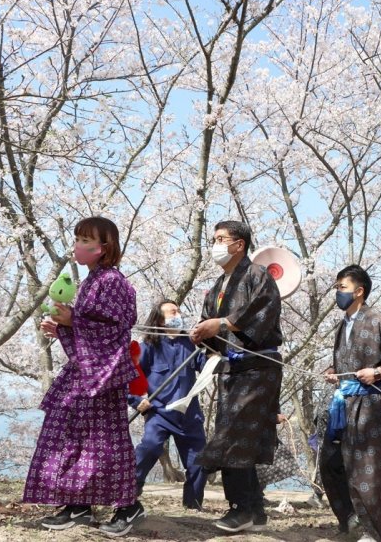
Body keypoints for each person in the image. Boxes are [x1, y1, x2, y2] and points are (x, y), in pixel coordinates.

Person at [27, 216, 144, 537]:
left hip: (103, 377)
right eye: (77, 238)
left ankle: (128, 506)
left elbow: (112, 330)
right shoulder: (92, 281)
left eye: (84, 239)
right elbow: (88, 328)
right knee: (70, 434)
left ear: (104, 248)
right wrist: (64, 325)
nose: (77, 245)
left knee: (105, 441)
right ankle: (78, 503)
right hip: (84, 374)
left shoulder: (114, 282)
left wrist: (72, 319)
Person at [189, 220, 283, 534]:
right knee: (238, 436)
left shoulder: (258, 275)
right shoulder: (217, 285)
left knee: (235, 436)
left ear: (238, 244)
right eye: (213, 239)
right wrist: (202, 332)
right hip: (230, 369)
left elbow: (259, 314)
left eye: (220, 239)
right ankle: (255, 511)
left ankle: (240, 507)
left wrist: (222, 323)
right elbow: (211, 324)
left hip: (258, 367)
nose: (215, 245)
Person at [321, 265, 381, 542]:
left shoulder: (379, 321)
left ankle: (375, 532)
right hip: (343, 403)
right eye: (336, 287)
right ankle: (349, 518)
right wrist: (332, 370)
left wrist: (380, 371)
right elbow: (348, 360)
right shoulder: (342, 325)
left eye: (342, 287)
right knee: (330, 461)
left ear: (359, 291)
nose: (337, 292)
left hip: (371, 404)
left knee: (369, 468)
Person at [128, 299, 207, 516]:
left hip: (189, 415)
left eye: (179, 311)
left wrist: (211, 347)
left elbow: (207, 365)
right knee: (150, 446)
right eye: (172, 312)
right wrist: (136, 400)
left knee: (199, 462)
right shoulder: (148, 347)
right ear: (160, 320)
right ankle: (129, 494)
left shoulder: (190, 345)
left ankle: (193, 507)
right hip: (159, 413)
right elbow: (130, 379)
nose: (178, 315)